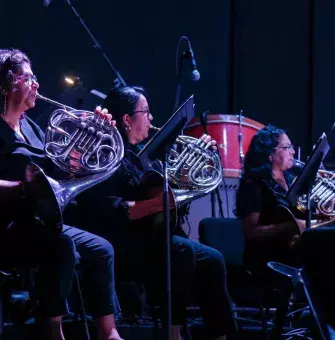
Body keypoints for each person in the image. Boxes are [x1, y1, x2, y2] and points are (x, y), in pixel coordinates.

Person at [75, 86, 239, 340]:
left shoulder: (145, 158)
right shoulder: (106, 152)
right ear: (127, 119)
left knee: (213, 259)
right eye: (146, 112)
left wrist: (194, 167)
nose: (151, 119)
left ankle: (221, 337)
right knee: (179, 252)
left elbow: (169, 204)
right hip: (121, 242)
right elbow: (110, 210)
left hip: (149, 238)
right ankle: (173, 334)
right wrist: (159, 203)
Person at [0, 48, 123, 340]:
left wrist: (89, 138)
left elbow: (58, 174)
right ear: (8, 82)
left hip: (39, 222)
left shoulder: (31, 128)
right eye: (29, 78)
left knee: (102, 250)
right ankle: (52, 330)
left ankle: (110, 334)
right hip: (7, 226)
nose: (37, 85)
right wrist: (22, 189)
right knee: (62, 246)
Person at [235, 125, 306, 277]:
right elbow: (251, 232)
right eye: (287, 147)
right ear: (270, 154)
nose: (293, 152)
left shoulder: (290, 177)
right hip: (268, 259)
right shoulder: (253, 185)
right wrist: (289, 226)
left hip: (291, 250)